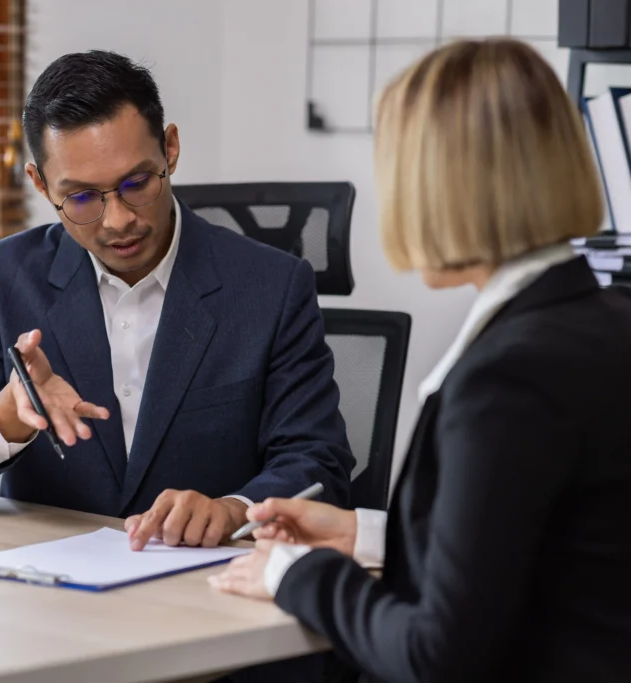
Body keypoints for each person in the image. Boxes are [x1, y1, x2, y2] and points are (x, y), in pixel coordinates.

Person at [0, 50, 353, 681]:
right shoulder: (5, 277)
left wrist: (233, 507)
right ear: (41, 186)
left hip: (222, 623)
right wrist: (7, 415)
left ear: (170, 149)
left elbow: (319, 461)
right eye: (82, 197)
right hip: (52, 626)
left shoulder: (271, 286)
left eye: (136, 183)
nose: (118, 220)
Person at [210, 37, 631, 683]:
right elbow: (552, 546)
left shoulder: (507, 378)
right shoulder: (606, 321)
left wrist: (298, 573)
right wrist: (366, 534)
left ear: (443, 189)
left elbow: (439, 656)